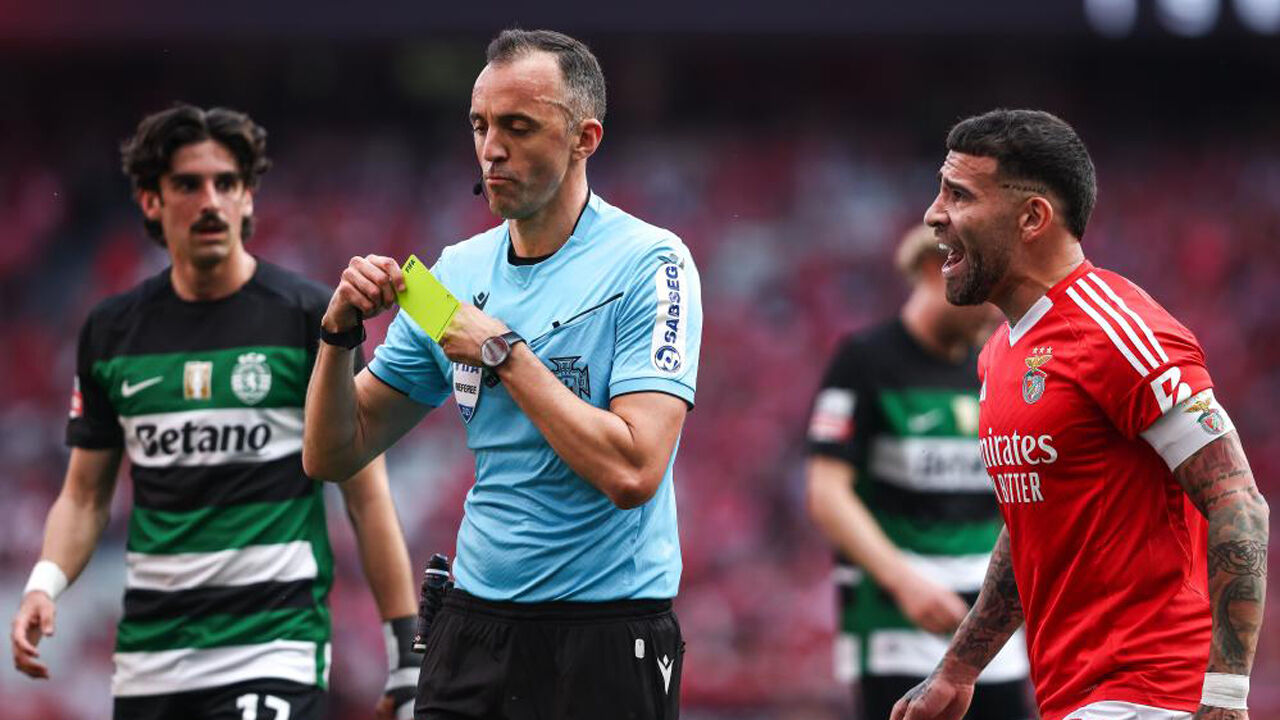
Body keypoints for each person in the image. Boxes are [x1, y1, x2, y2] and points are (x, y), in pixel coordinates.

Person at [303, 28, 701, 720]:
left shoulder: (652, 263)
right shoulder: (454, 273)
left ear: (585, 139)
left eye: (519, 126)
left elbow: (634, 471)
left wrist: (503, 354)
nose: (492, 148)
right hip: (472, 629)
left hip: (607, 635)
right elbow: (334, 450)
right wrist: (337, 337)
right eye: (481, 126)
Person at [9, 104, 423, 720]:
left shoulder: (306, 317)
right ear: (150, 201)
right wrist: (46, 582)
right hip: (151, 660)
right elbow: (85, 497)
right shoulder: (111, 331)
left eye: (227, 183)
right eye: (187, 184)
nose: (211, 201)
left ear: (249, 200)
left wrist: (403, 646)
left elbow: (366, 497)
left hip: (272, 652)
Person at [892, 109, 1269, 720]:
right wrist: (959, 668)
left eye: (958, 195)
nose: (934, 214)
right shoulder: (1000, 353)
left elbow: (1238, 502)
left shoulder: (1120, 331)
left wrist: (1224, 697)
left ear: (1033, 217)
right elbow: (1029, 527)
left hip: (1151, 694)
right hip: (1076, 696)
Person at [805, 225, 1031, 720]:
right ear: (935, 269)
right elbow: (827, 493)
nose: (993, 304)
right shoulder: (864, 361)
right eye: (981, 287)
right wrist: (903, 582)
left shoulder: (995, 366)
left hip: (990, 629)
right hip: (894, 624)